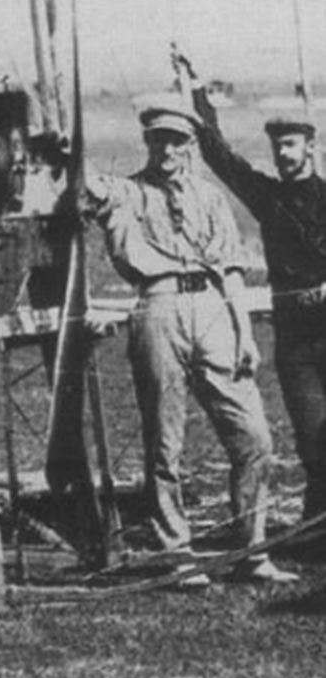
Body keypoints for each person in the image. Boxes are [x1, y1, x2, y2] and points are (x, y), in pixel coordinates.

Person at [85, 97, 295, 584]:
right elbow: (89, 187)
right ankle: (178, 552)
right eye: (158, 139)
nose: (167, 149)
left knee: (254, 437)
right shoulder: (131, 192)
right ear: (147, 142)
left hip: (215, 311)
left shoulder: (212, 198)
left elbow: (234, 271)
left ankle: (254, 550)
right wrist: (66, 151)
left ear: (191, 144)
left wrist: (245, 334)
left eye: (176, 140)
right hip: (158, 309)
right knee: (165, 441)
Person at [176, 52, 326, 529]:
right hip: (295, 343)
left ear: (310, 146)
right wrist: (197, 93)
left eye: (291, 145)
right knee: (310, 437)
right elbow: (219, 156)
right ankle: (317, 525)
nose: (283, 154)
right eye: (278, 147)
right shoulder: (269, 199)